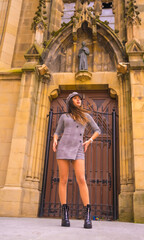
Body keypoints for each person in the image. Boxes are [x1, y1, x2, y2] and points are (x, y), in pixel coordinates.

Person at [53, 92, 101, 229]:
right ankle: (65, 214)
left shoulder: (86, 116)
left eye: (79, 98)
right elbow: (57, 131)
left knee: (81, 179)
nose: (78, 100)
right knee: (63, 179)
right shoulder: (64, 116)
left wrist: (89, 141)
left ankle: (87, 215)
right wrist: (55, 139)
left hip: (78, 148)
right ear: (70, 101)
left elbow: (97, 130)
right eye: (75, 98)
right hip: (63, 148)